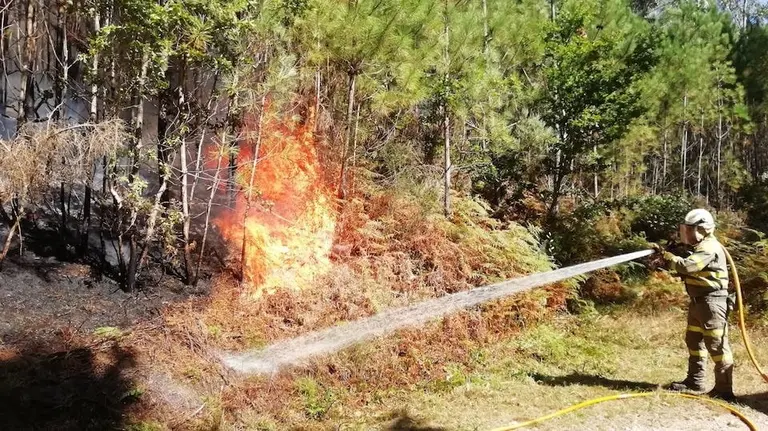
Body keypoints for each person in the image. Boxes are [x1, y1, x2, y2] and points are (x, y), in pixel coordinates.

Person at [653, 208, 735, 401]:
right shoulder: (700, 246)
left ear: (703, 229)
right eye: (686, 229)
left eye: (691, 229)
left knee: (717, 345)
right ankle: (695, 381)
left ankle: (724, 390)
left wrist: (668, 257)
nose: (687, 233)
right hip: (699, 302)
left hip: (712, 303)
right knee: (694, 341)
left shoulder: (709, 247)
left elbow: (688, 266)